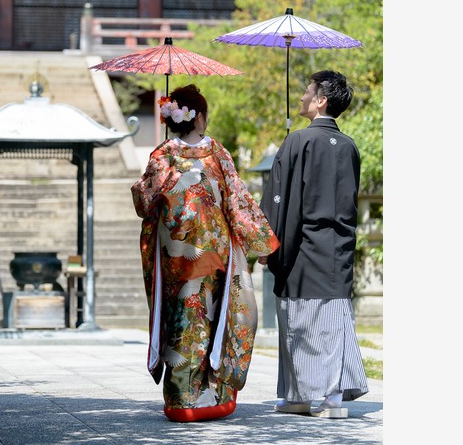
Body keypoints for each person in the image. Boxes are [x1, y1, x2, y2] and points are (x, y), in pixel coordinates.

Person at [131, 84, 280, 422]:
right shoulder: (205, 154)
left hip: (202, 257)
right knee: (192, 321)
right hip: (192, 256)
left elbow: (145, 201)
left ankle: (201, 397)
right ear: (198, 117)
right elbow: (236, 200)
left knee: (202, 319)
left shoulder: (165, 154)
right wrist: (263, 241)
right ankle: (187, 398)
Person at [259, 70, 369, 419]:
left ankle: (301, 397)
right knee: (335, 320)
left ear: (321, 100)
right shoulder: (349, 146)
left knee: (300, 322)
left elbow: (280, 198)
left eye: (308, 92)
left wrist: (268, 244)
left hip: (304, 247)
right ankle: (333, 398)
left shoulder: (298, 142)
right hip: (338, 247)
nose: (303, 97)